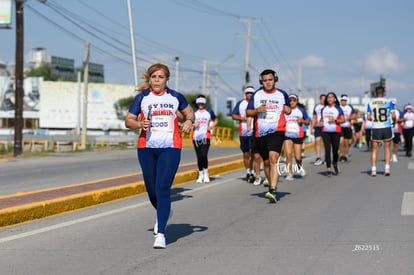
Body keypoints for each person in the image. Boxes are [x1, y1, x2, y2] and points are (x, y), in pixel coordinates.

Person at [125, 63, 194, 249]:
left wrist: (189, 121)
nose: (157, 80)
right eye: (154, 77)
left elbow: (189, 113)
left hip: (170, 147)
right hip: (146, 147)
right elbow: (128, 121)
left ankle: (161, 233)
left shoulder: (175, 97)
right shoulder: (142, 98)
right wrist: (139, 124)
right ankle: (165, 211)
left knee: (163, 187)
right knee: (152, 191)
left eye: (160, 77)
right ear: (150, 79)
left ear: (167, 80)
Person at [246, 69, 291, 203]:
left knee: (273, 158)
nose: (268, 83)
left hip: (277, 130)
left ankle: (272, 189)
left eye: (270, 80)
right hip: (260, 132)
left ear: (275, 80)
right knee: (266, 162)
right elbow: (248, 112)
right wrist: (257, 110)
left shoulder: (282, 94)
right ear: (261, 81)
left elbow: (288, 109)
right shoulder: (257, 94)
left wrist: (288, 109)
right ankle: (271, 183)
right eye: (265, 80)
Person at [366, 86, 396, 176]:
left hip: (376, 128)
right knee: (387, 149)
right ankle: (387, 169)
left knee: (374, 150)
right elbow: (393, 116)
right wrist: (394, 122)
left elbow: (368, 117)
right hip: (386, 127)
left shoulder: (370, 103)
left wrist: (374, 119)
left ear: (375, 93)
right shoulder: (388, 102)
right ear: (384, 93)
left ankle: (373, 170)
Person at [193, 94, 218, 183]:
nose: (201, 104)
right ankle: (200, 174)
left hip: (206, 136)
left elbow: (215, 120)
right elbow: (189, 122)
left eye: (202, 103)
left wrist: (211, 127)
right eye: (199, 103)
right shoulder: (193, 112)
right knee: (199, 156)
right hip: (195, 137)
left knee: (204, 155)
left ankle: (206, 173)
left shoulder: (209, 111)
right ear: (197, 103)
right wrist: (193, 125)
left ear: (204, 103)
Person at [283, 94, 310, 181]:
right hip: (287, 134)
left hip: (298, 134)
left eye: (293, 100)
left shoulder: (301, 110)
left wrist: (302, 121)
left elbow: (307, 122)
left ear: (297, 101)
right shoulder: (285, 110)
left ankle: (300, 167)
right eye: (290, 100)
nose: (292, 102)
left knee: (298, 157)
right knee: (288, 155)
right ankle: (289, 173)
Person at [232, 86, 255, 182]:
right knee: (246, 154)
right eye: (248, 93)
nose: (249, 94)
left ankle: (253, 172)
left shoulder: (256, 103)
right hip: (244, 132)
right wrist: (242, 118)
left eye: (251, 93)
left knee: (252, 152)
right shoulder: (240, 104)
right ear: (245, 94)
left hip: (254, 132)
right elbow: (233, 115)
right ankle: (248, 171)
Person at [320, 92, 345, 177]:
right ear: (326, 99)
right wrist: (321, 122)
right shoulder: (324, 109)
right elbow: (321, 119)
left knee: (335, 151)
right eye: (328, 97)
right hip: (325, 131)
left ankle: (334, 163)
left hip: (335, 131)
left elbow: (343, 120)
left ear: (334, 99)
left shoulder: (338, 108)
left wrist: (335, 120)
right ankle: (328, 169)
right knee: (327, 150)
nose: (330, 99)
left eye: (332, 97)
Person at [338, 94, 355, 162]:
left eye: (344, 100)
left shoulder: (349, 107)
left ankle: (345, 155)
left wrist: (349, 117)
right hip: (340, 126)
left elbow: (354, 116)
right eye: (342, 100)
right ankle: (341, 155)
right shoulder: (338, 107)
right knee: (340, 141)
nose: (343, 102)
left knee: (347, 142)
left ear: (346, 101)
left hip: (347, 126)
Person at [311, 94, 326, 166]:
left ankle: (326, 158)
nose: (323, 100)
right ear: (320, 99)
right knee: (317, 141)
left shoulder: (328, 107)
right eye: (322, 99)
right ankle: (318, 158)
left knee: (326, 143)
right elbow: (314, 118)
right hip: (318, 126)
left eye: (324, 99)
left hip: (326, 127)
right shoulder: (317, 107)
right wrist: (311, 128)